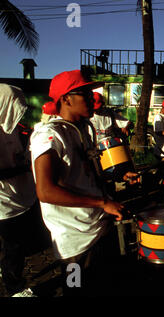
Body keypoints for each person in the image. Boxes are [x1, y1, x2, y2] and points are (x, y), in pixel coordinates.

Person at [29, 70, 139, 296]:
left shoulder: (83, 129)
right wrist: (101, 203)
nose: (92, 97)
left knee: (100, 286)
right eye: (85, 93)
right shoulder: (48, 135)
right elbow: (45, 191)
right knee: (75, 290)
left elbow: (85, 175)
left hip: (98, 228)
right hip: (74, 243)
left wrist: (118, 176)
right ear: (66, 98)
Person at [0, 84, 39, 297]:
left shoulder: (12, 128)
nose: (20, 112)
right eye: (15, 107)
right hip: (4, 201)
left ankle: (8, 271)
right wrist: (23, 167)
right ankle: (14, 287)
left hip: (20, 195)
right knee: (14, 246)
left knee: (15, 245)